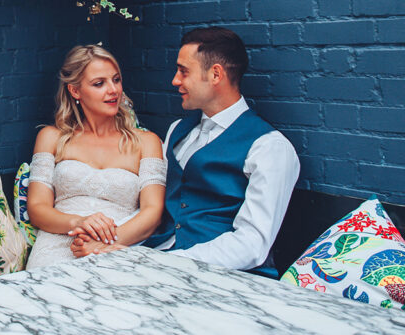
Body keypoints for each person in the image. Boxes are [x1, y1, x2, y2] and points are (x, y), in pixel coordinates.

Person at [74, 27, 300, 276]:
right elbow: (161, 208)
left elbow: (252, 245)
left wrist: (159, 262)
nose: (175, 80)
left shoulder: (270, 148)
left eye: (184, 71)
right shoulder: (178, 130)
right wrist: (107, 239)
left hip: (225, 277)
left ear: (215, 75)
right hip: (157, 261)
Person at [25, 44, 166, 269]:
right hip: (57, 243)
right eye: (99, 84)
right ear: (75, 91)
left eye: (116, 80)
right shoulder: (51, 137)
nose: (113, 90)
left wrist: (104, 242)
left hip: (118, 245)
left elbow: (153, 213)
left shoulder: (145, 142)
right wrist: (79, 222)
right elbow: (37, 208)